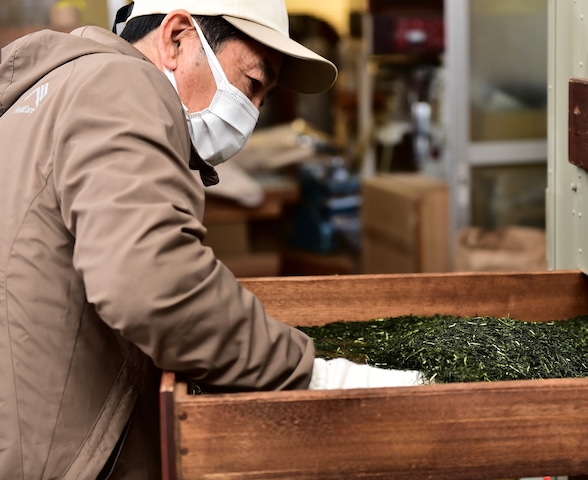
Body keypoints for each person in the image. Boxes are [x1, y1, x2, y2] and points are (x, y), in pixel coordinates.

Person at [0, 1, 423, 478]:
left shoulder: (51, 90)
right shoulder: (120, 85)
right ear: (177, 38)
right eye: (253, 84)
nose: (253, 112)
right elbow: (153, 284)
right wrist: (312, 374)